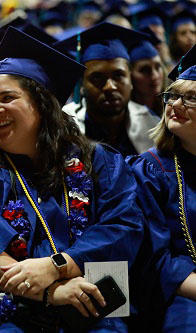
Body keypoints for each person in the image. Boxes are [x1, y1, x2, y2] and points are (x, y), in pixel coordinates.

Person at [0, 27, 145, 332]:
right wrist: (48, 291)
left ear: (42, 104)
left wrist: (58, 265)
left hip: (92, 305)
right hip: (6, 312)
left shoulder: (99, 163)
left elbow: (123, 226)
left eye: (7, 98)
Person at [126, 47, 196, 332]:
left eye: (190, 98)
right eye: (172, 95)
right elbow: (153, 259)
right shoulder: (149, 171)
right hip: (179, 298)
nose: (176, 104)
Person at [56, 22, 160, 157]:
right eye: (97, 78)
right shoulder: (63, 127)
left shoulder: (152, 124)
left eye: (119, 75)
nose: (110, 87)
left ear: (131, 79)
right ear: (81, 84)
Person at [129, 38, 167, 117]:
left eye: (158, 67)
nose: (155, 76)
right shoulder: (126, 117)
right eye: (145, 70)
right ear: (130, 75)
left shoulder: (172, 108)